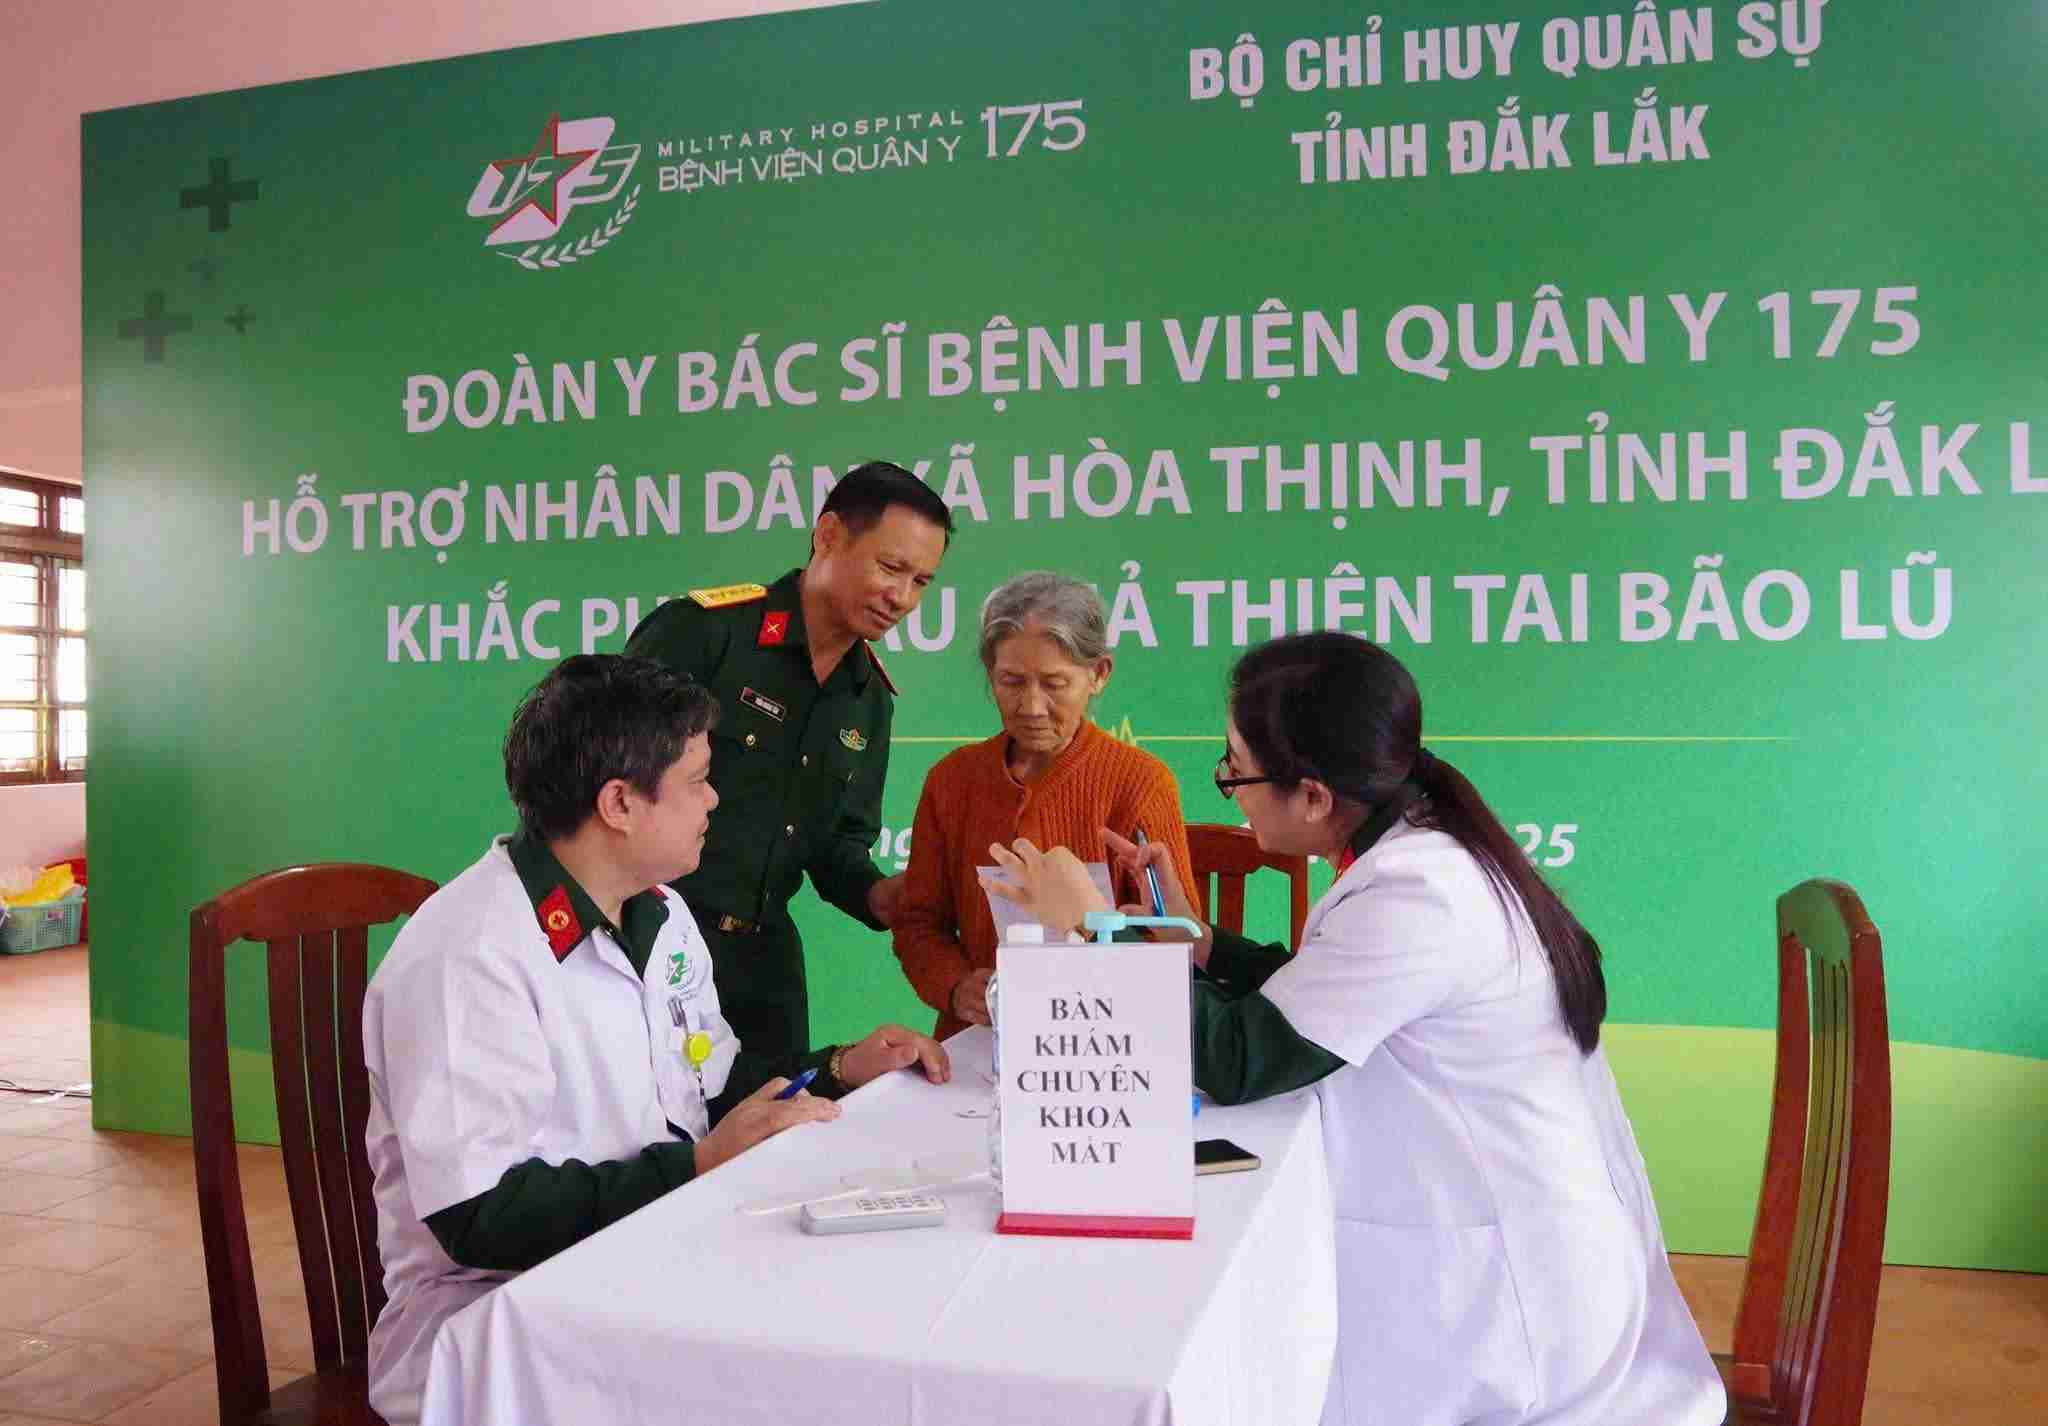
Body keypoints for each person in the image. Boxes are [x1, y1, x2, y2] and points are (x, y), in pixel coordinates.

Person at [984, 632, 1726, 1426]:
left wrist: (1095, 925)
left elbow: (1242, 1059)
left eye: (1236, 769)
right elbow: (1317, 992)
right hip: (1511, 1253)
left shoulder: (1420, 891)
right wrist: (1193, 942)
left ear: (1312, 796)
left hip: (1514, 1313)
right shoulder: (1420, 850)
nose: (1229, 789)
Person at [362, 655, 949, 1426]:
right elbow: (479, 1217)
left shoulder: (661, 915)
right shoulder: (470, 953)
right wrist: (696, 1167)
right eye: (698, 780)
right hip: (497, 1325)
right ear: (619, 803)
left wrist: (837, 1069)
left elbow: (712, 1084)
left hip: (640, 1259)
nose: (715, 799)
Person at [624, 460, 953, 1116]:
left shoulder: (868, 699)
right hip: (652, 943)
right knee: (650, 1141)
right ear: (828, 535)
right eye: (890, 568)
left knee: (781, 1134)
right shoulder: (706, 633)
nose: (902, 598)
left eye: (921, 582)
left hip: (765, 967)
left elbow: (838, 847)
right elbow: (609, 779)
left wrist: (885, 895)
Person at [892, 571, 1195, 1039]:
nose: (1031, 706)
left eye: (1055, 683)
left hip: (1109, 1041)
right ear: (990, 674)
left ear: (1099, 675)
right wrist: (955, 987)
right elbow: (918, 922)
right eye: (1011, 681)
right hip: (978, 1035)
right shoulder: (951, 780)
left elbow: (1175, 945)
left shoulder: (1140, 783)